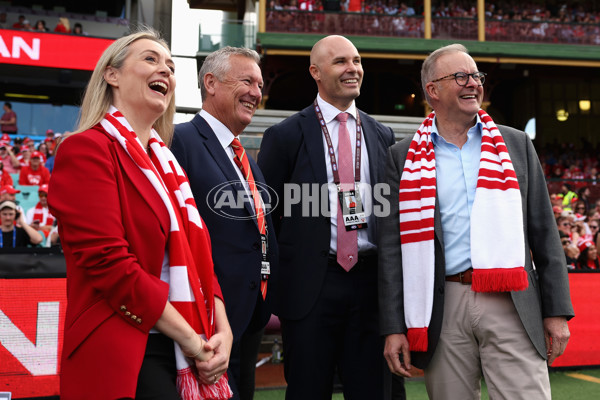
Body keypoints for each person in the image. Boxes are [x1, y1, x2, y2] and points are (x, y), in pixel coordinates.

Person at [378, 43, 574, 399]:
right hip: (441, 304)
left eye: (476, 76)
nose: (473, 84)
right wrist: (393, 327)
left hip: (512, 299)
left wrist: (558, 311)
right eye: (461, 76)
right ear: (432, 90)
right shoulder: (402, 156)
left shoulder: (516, 144)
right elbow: (392, 252)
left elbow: (545, 234)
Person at [47, 28, 233, 400]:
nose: (165, 70)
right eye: (150, 59)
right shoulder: (85, 150)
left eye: (170, 65)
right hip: (129, 348)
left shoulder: (168, 165)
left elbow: (201, 264)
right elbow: (110, 263)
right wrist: (193, 342)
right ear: (112, 75)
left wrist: (223, 332)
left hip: (187, 346)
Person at [258, 35, 400, 400]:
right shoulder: (284, 136)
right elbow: (268, 222)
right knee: (308, 391)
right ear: (315, 72)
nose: (352, 68)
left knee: (374, 391)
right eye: (340, 62)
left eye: (356, 60)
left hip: (370, 287)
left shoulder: (382, 135)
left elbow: (389, 214)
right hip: (310, 289)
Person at [171, 46, 279, 400]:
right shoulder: (178, 140)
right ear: (211, 82)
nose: (256, 93)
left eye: (260, 85)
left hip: (249, 320)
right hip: (205, 322)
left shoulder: (246, 158)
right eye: (247, 81)